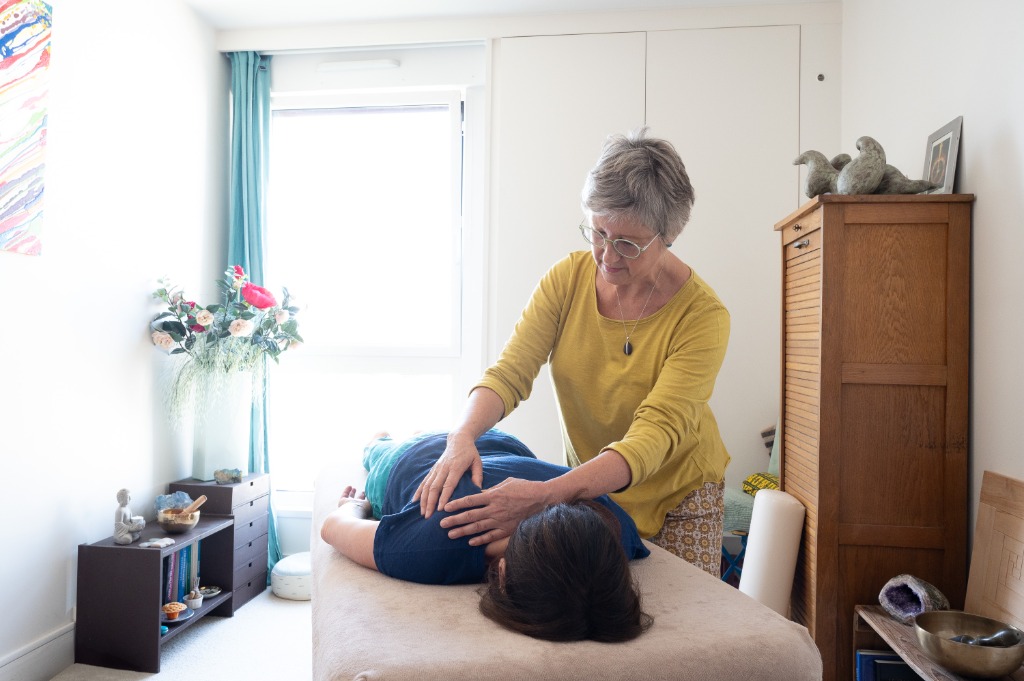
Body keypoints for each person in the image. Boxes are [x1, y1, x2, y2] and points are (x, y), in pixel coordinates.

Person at [414, 127, 731, 576]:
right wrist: (461, 437)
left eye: (627, 244)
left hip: (680, 492)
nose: (607, 256)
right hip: (590, 484)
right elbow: (510, 373)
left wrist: (547, 494)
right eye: (598, 232)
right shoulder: (566, 280)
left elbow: (655, 434)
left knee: (686, 616)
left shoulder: (703, 316)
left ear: (669, 236)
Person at [320, 430, 652, 642]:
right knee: (378, 451)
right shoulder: (434, 545)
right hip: (411, 459)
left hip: (505, 444)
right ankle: (378, 442)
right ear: (502, 574)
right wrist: (353, 506)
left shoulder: (617, 528)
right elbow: (332, 527)